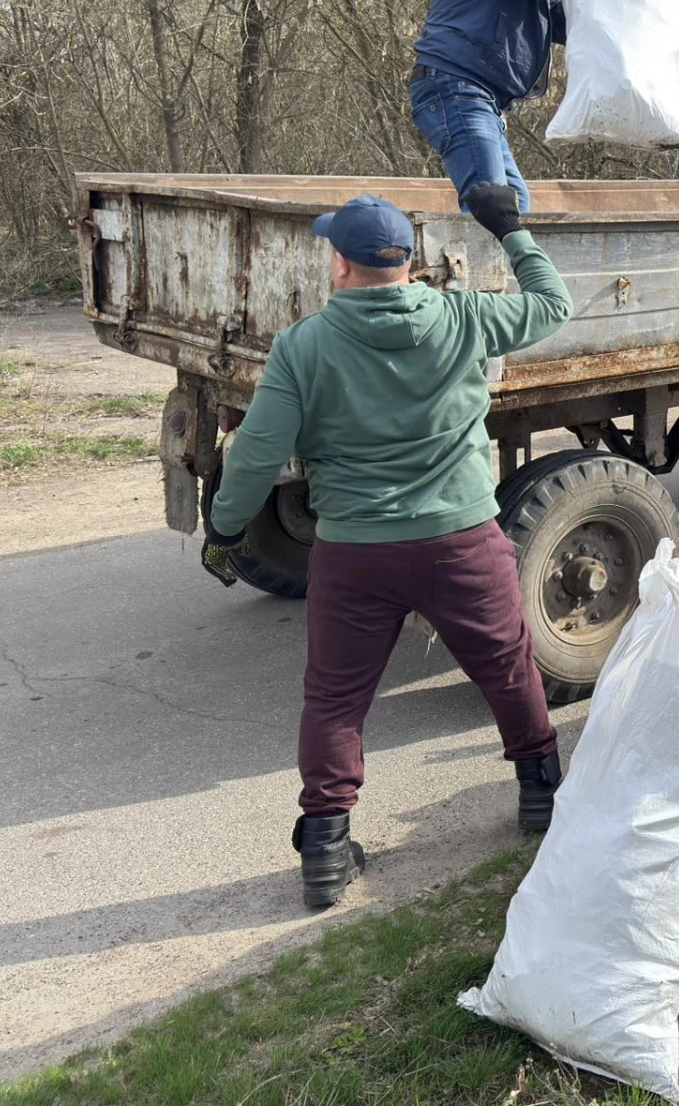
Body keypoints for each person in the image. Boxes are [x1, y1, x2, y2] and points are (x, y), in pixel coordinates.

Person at [201, 185, 573, 909]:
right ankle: (542, 798)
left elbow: (253, 457)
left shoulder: (304, 346)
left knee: (336, 699)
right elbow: (553, 305)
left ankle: (327, 849)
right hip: (462, 540)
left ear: (340, 264)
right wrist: (512, 232)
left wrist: (224, 527)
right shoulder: (467, 318)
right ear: (409, 262)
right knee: (505, 666)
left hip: (355, 553)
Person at [412, 0, 588, 214]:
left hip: (476, 99)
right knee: (496, 212)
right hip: (458, 89)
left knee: (514, 206)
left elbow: (560, 20)